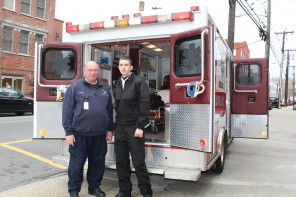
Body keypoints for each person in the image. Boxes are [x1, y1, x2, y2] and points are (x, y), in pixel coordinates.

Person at [62, 61, 113, 197]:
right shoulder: (75, 87)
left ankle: (94, 187)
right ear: (84, 71)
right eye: (90, 70)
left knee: (97, 163)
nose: (93, 73)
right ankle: (74, 191)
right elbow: (67, 111)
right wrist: (68, 132)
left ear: (99, 72)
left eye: (95, 70)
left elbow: (109, 110)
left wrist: (109, 129)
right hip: (79, 135)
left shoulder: (104, 88)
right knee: (76, 165)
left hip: (99, 134)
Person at [113, 57, 153, 197]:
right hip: (120, 127)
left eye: (126, 65)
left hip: (134, 127)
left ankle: (146, 192)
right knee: (121, 161)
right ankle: (125, 191)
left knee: (138, 162)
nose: (123, 67)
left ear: (131, 67)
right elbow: (118, 106)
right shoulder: (119, 83)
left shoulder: (138, 81)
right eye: (121, 65)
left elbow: (144, 104)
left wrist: (140, 126)